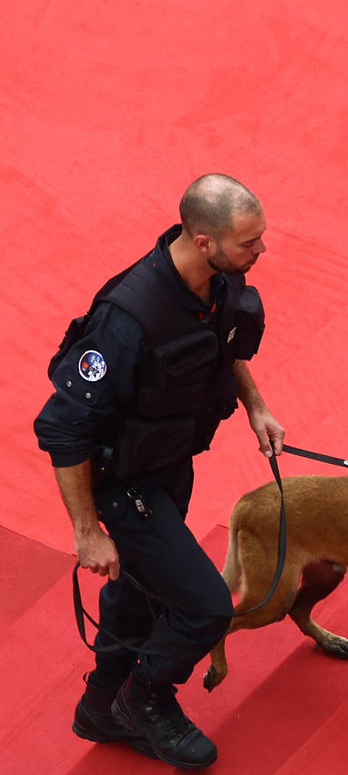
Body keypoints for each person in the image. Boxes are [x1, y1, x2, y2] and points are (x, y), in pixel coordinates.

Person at [34, 173, 285, 769]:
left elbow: (226, 350)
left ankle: (99, 705)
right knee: (205, 606)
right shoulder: (127, 318)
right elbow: (62, 427)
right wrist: (86, 529)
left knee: (143, 593)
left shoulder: (221, 283)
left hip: (170, 466)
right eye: (249, 242)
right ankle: (144, 701)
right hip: (125, 485)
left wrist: (257, 407)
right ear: (202, 241)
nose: (260, 252)